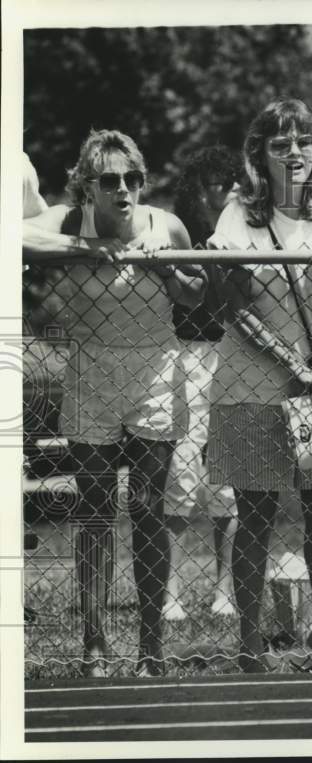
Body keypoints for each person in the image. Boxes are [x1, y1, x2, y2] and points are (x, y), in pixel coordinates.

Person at [24, 129, 204, 676]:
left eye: (133, 179)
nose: (123, 189)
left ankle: (151, 647)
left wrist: (166, 269)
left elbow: (198, 294)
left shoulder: (164, 224)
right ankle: (95, 642)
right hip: (92, 368)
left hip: (154, 369)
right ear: (87, 187)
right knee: (95, 511)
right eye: (109, 180)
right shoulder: (66, 221)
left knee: (149, 510)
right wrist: (91, 249)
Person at [206, 98, 312, 673]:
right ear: (260, 155)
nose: (294, 153)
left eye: (303, 142)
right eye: (280, 144)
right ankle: (250, 647)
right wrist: (288, 363)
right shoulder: (238, 216)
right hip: (250, 385)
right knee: (257, 516)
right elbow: (233, 309)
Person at [161, 146, 242, 622]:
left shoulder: (247, 231)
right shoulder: (177, 232)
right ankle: (169, 593)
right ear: (196, 187)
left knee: (229, 482)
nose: (227, 189)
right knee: (180, 475)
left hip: (233, 357)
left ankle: (225, 591)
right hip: (184, 357)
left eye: (233, 180)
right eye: (216, 181)